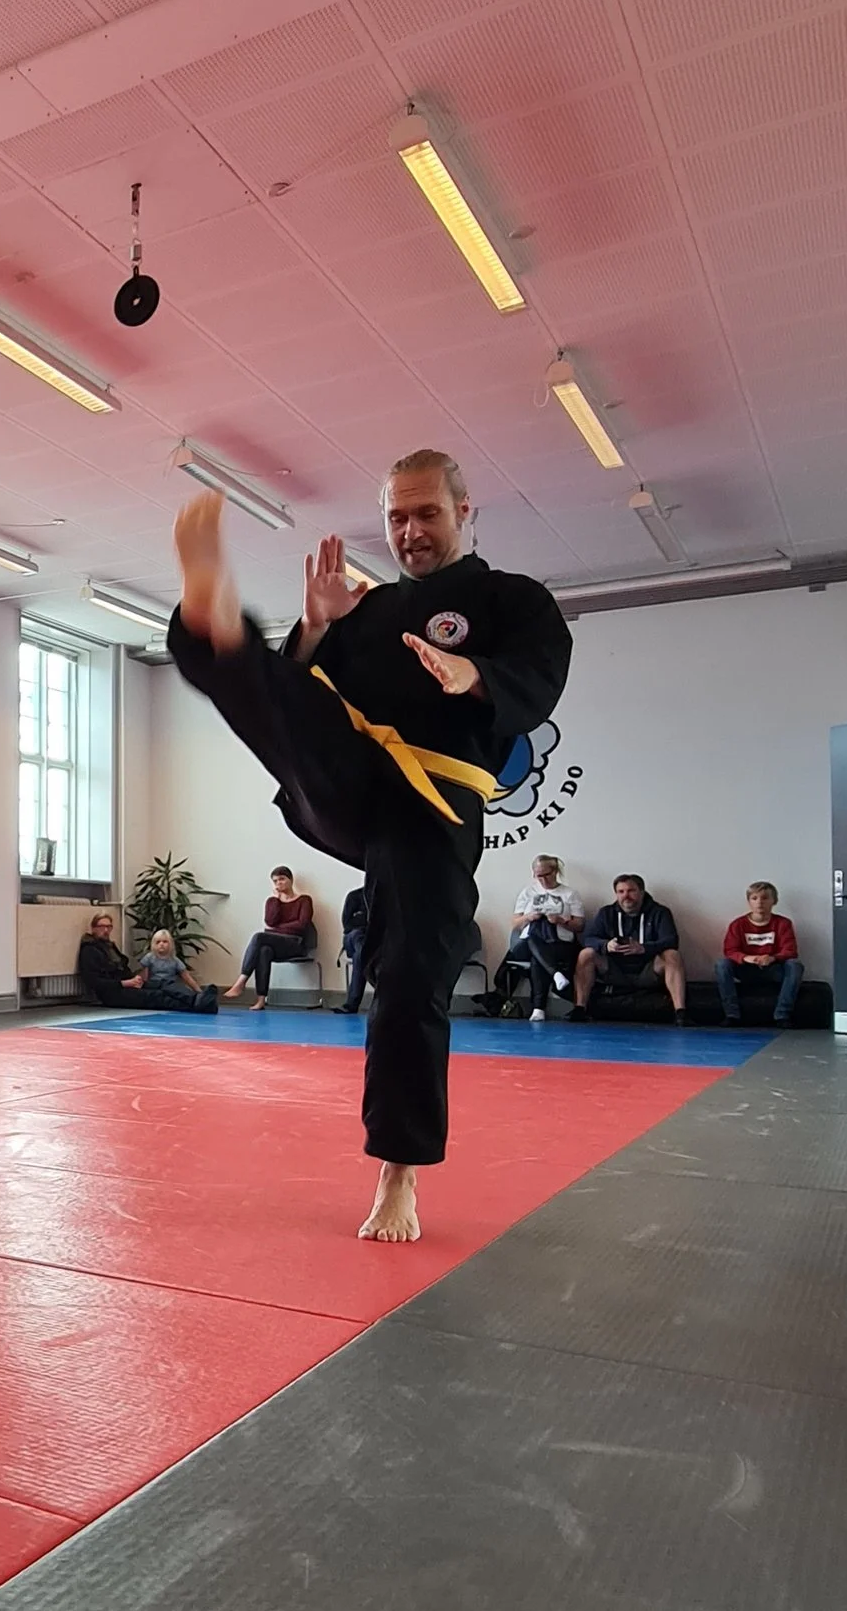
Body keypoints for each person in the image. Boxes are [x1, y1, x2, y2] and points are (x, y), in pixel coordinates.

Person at [167, 450, 571, 1242]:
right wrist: (317, 626)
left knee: (412, 973)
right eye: (395, 517)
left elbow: (538, 674)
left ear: (465, 509)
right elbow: (313, 688)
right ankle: (217, 627)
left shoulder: (512, 600)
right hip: (352, 777)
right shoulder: (368, 607)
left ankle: (399, 1172)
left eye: (427, 514)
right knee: (291, 705)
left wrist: (474, 676)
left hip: (436, 803)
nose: (410, 532)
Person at [575, 874, 686, 1024]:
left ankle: (680, 1012)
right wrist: (606, 945)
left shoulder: (660, 912)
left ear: (641, 892)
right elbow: (589, 938)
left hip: (648, 969)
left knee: (672, 955)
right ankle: (580, 1008)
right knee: (586, 954)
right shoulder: (606, 913)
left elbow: (671, 940)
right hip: (614, 969)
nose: (626, 896)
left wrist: (644, 948)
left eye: (631, 891)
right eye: (621, 892)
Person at [503, 851, 581, 1020]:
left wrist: (561, 921)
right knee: (534, 934)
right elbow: (515, 923)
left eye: (547, 875)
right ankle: (555, 974)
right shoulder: (528, 892)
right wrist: (529, 917)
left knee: (537, 957)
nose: (543, 880)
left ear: (555, 872)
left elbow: (580, 925)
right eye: (539, 876)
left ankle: (538, 1009)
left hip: (560, 944)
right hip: (527, 943)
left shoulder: (570, 894)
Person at [227, 866, 317, 1007]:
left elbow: (302, 924)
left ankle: (241, 981)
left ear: (291, 880)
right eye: (275, 881)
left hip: (296, 944)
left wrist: (277, 928)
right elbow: (270, 921)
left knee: (258, 937)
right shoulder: (272, 901)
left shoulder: (304, 900)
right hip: (276, 944)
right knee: (264, 951)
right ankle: (261, 1000)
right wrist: (276, 900)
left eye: (282, 879)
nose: (278, 883)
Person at [717, 880, 803, 1026]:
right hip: (746, 969)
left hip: (773, 969)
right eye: (755, 898)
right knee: (721, 964)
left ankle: (782, 1015)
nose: (759, 903)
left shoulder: (783, 923)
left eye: (765, 898)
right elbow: (730, 950)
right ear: (749, 901)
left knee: (795, 965)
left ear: (774, 901)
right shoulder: (738, 924)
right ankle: (732, 1015)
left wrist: (773, 958)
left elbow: (790, 950)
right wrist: (746, 958)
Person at [74, 908, 131, 1005]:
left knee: (158, 987)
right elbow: (93, 981)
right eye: (102, 927)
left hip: (123, 984)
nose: (106, 930)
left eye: (109, 927)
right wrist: (123, 983)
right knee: (152, 996)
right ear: (93, 928)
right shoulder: (89, 950)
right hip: (110, 991)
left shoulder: (110, 946)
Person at [338, 880, 371, 1013]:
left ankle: (352, 1004)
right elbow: (347, 925)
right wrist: (365, 922)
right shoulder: (354, 896)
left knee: (361, 954)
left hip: (373, 941)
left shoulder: (385, 899)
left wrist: (361, 918)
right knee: (358, 936)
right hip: (353, 938)